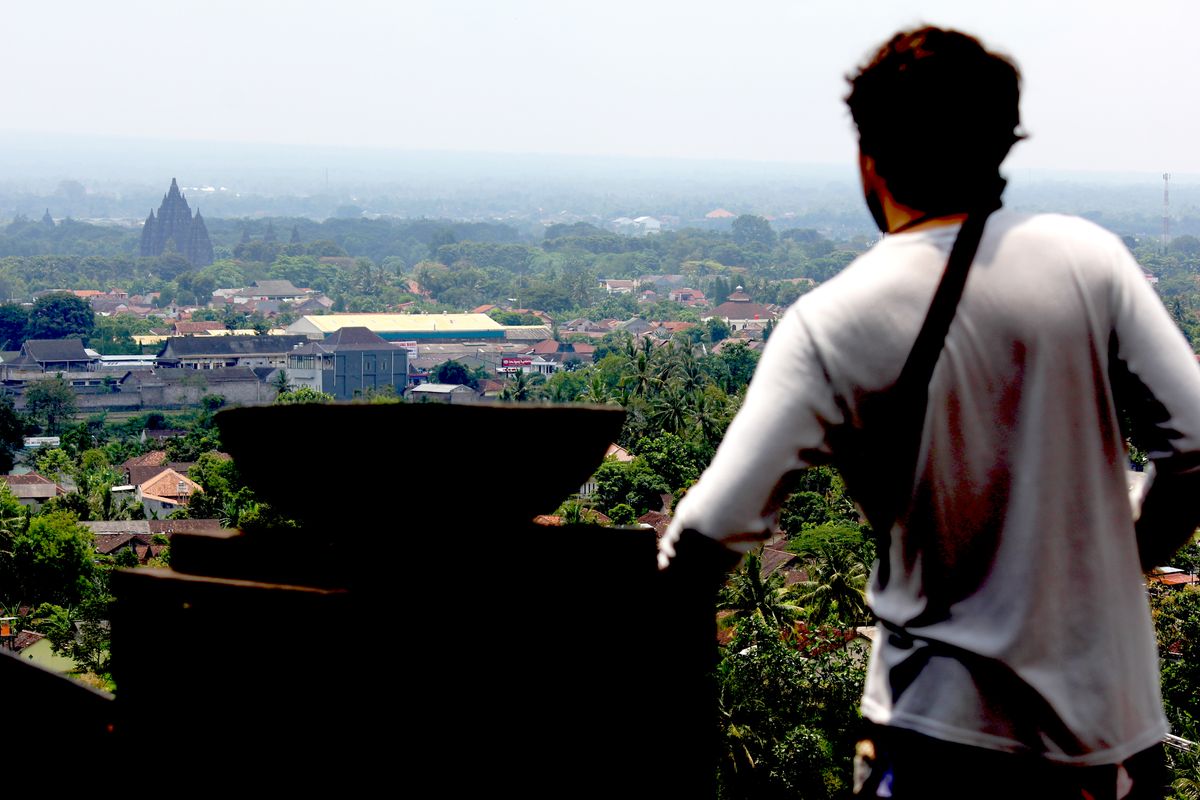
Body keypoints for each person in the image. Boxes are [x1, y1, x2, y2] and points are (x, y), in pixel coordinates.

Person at [658, 26, 1200, 799]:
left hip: (937, 740)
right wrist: (1123, 564)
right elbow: (1194, 452)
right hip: (1107, 740)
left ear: (868, 159)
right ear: (999, 149)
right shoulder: (1089, 264)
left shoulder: (836, 319)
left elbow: (708, 535)